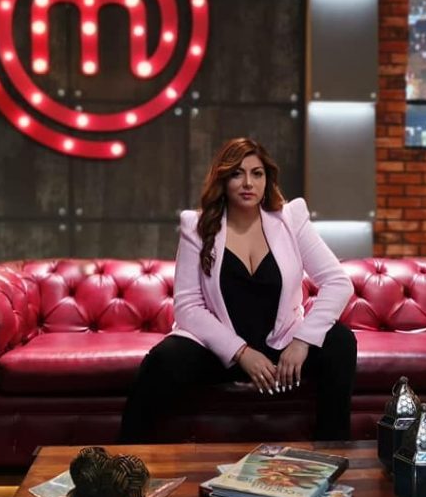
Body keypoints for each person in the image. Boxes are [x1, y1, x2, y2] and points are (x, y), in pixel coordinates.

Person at [119, 137, 357, 442]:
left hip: (281, 348)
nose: (248, 183)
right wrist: (241, 352)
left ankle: (332, 451)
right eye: (237, 174)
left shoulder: (291, 220)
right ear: (223, 179)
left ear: (267, 179)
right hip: (221, 352)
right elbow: (188, 307)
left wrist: (302, 341)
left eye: (257, 174)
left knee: (340, 342)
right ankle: (124, 459)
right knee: (165, 359)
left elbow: (338, 282)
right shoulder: (197, 226)